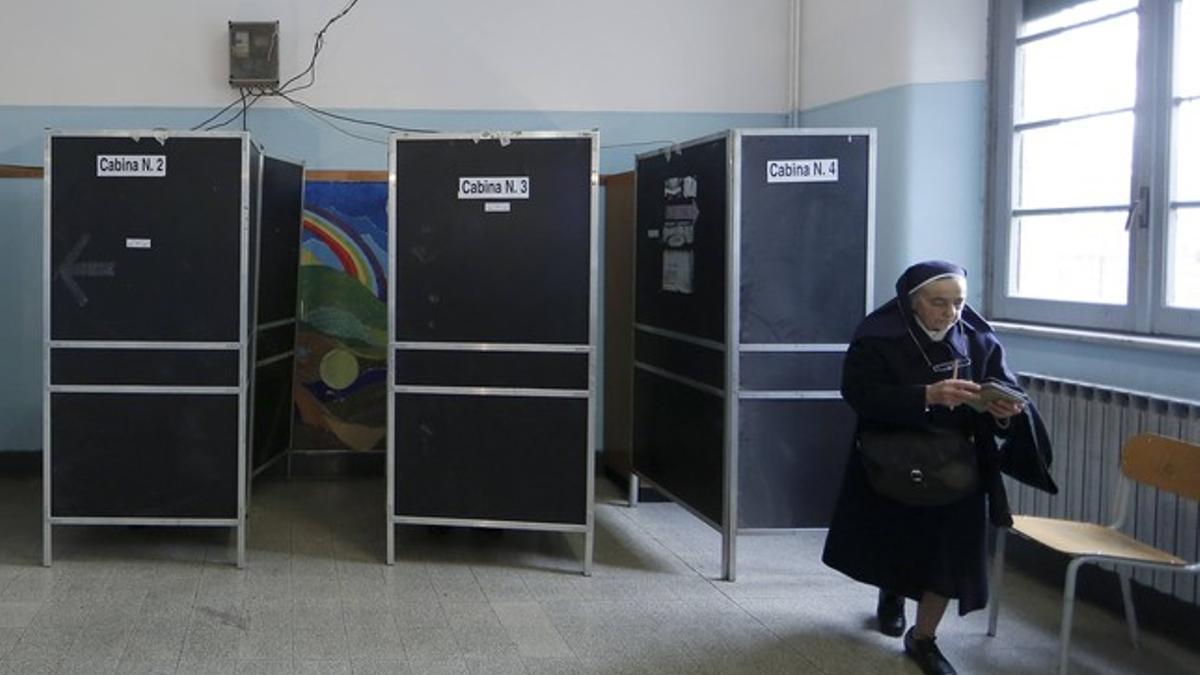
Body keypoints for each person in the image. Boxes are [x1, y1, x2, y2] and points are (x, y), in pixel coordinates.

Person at [821, 260, 1057, 675]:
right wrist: (926, 395)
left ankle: (924, 637)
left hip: (959, 465)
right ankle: (891, 593)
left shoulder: (979, 341)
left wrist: (1004, 411)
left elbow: (1009, 390)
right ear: (912, 303)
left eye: (959, 303)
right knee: (896, 539)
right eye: (938, 303)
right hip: (893, 458)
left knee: (951, 554)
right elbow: (860, 395)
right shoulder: (878, 338)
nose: (950, 313)